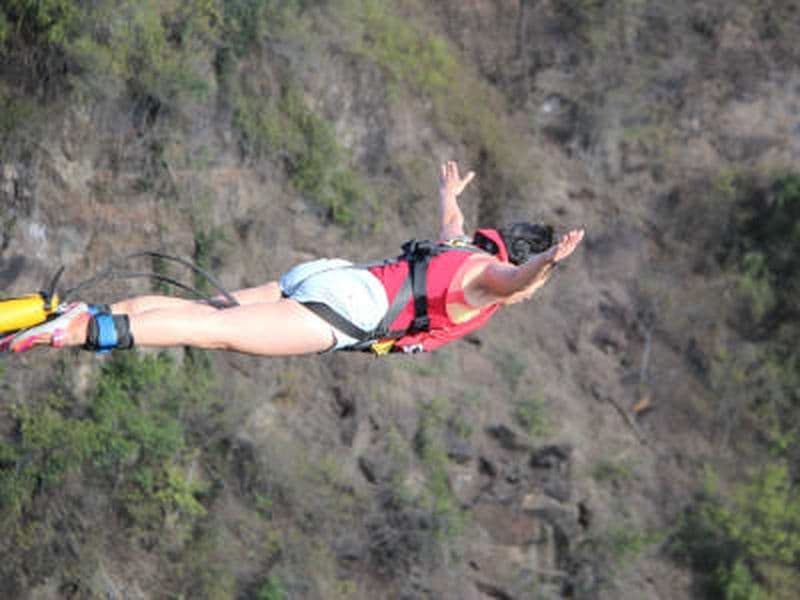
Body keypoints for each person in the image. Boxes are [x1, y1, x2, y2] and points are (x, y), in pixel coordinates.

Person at [2, 161, 584, 356]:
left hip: (336, 275)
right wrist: (548, 264)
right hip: (349, 309)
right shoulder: (491, 281)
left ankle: (82, 312)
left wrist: (447, 197)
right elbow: (514, 282)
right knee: (214, 331)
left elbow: (452, 224)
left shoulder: (461, 248)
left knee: (205, 309)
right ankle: (83, 329)